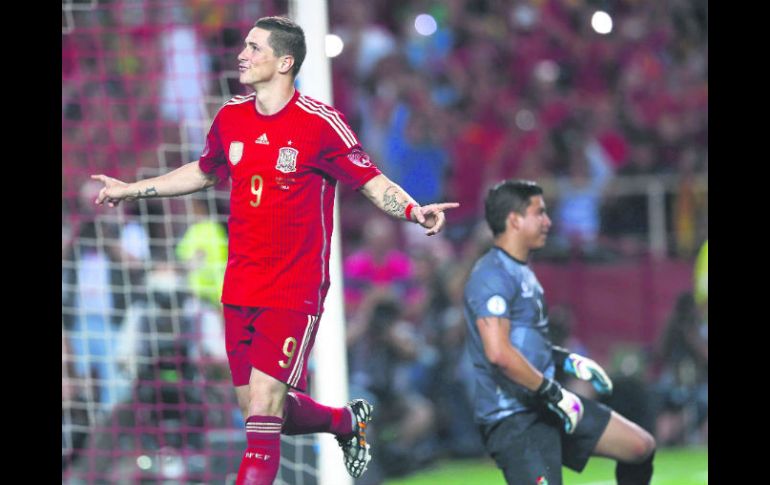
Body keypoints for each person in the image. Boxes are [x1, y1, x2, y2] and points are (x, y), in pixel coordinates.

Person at [90, 16, 459, 485]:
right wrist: (132, 189)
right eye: (244, 45)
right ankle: (346, 422)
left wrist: (413, 210)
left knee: (264, 408)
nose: (242, 55)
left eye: (254, 47)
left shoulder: (320, 123)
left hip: (293, 285)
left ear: (284, 62)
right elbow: (204, 171)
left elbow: (370, 180)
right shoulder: (231, 117)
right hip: (240, 283)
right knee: (258, 411)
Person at [463, 179, 655, 485]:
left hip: (546, 404)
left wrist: (569, 361)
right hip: (513, 418)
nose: (547, 221)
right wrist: (553, 392)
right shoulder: (490, 277)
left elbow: (525, 345)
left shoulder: (523, 272)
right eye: (539, 213)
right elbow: (499, 353)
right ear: (514, 220)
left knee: (639, 447)